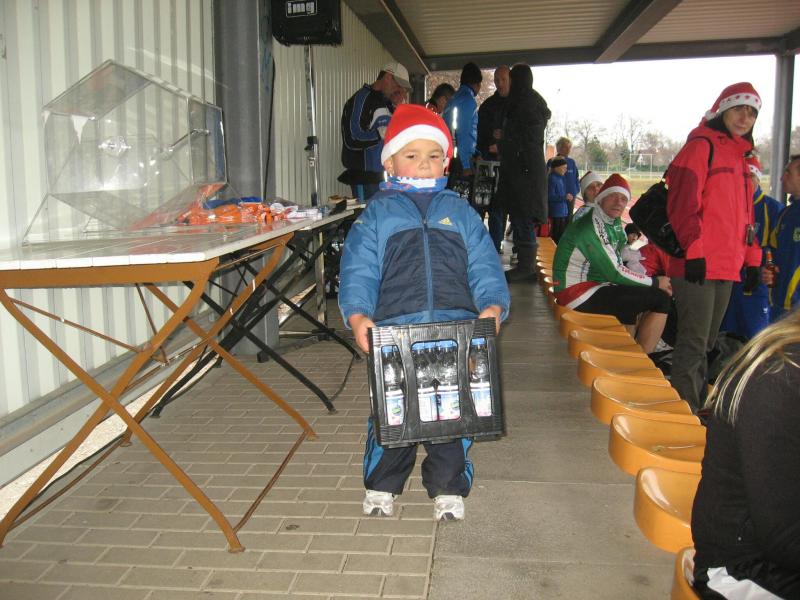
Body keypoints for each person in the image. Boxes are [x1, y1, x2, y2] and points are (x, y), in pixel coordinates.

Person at [338, 104, 510, 522]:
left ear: (446, 161)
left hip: (455, 331)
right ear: (390, 161)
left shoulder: (462, 212)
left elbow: (484, 263)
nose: (423, 163)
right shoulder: (376, 214)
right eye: (411, 155)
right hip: (393, 332)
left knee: (450, 414)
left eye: (433, 155)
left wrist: (492, 304)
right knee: (393, 414)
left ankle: (448, 486)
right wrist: (358, 315)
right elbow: (359, 269)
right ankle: (382, 484)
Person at [666, 82, 762, 410]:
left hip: (726, 264)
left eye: (752, 113)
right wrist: (694, 251)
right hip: (698, 263)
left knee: (706, 344)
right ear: (722, 110)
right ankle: (684, 412)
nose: (745, 118)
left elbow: (747, 216)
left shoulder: (742, 158)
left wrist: (752, 259)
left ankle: (694, 404)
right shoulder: (701, 146)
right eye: (739, 109)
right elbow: (682, 205)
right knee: (693, 342)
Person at [691, 312, 800, 598]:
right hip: (744, 565)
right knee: (692, 342)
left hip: (772, 546)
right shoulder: (782, 376)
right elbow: (782, 535)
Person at [552, 174, 673, 353]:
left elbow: (617, 258)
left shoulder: (610, 220)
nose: (618, 202)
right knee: (661, 299)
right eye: (613, 196)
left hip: (588, 287)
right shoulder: (590, 226)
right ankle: (642, 359)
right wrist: (656, 282)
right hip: (576, 293)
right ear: (601, 198)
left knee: (632, 297)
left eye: (623, 199)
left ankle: (628, 353)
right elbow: (614, 273)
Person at [496, 63, 551, 283]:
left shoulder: (524, 104)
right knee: (521, 217)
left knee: (523, 217)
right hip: (526, 171)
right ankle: (525, 265)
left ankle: (526, 267)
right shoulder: (530, 101)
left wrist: (502, 142)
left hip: (524, 174)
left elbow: (524, 139)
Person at [720, 155, 783, 339]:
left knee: (755, 335)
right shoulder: (729, 205)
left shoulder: (772, 208)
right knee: (726, 336)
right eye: (742, 177)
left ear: (758, 179)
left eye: (750, 177)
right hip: (729, 281)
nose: (745, 182)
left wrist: (770, 270)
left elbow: (778, 250)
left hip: (757, 283)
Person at [339, 62, 412, 202]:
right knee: (369, 215)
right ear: (388, 77)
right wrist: (378, 134)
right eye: (398, 86)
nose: (398, 90)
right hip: (365, 179)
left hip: (384, 178)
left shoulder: (385, 103)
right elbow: (351, 138)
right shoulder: (361, 99)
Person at [477, 66, 511, 252]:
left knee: (499, 211)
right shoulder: (488, 106)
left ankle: (495, 247)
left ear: (510, 80)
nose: (500, 83)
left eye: (503, 79)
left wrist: (504, 138)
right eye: (497, 80)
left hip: (506, 167)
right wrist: (490, 140)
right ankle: (477, 247)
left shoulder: (517, 105)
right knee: (479, 208)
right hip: (485, 164)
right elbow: (479, 134)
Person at [764, 154, 800, 321]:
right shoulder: (784, 214)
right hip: (779, 305)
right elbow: (771, 252)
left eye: (788, 173)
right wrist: (768, 269)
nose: (781, 178)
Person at [442, 62, 483, 181]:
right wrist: (466, 165)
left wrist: (476, 153)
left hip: (449, 158)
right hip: (461, 162)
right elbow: (464, 133)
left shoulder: (452, 100)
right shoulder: (468, 101)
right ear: (478, 83)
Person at [547, 137, 580, 217]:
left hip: (571, 196)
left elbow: (576, 177)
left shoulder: (571, 162)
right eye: (565, 147)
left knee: (569, 218)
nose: (568, 149)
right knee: (557, 219)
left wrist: (576, 190)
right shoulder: (552, 161)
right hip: (558, 199)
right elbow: (547, 178)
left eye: (569, 147)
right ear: (559, 148)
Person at [547, 156, 570, 243]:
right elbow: (550, 197)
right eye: (563, 168)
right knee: (555, 236)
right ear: (556, 168)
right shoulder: (552, 179)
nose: (565, 170)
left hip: (562, 213)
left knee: (560, 236)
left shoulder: (560, 178)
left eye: (566, 168)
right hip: (555, 213)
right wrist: (564, 197)